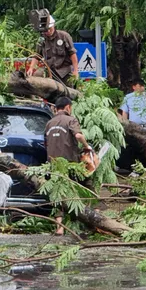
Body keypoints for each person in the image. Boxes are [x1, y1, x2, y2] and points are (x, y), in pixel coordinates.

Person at [44, 96, 94, 235]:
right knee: (88, 184)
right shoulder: (71, 120)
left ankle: (59, 227)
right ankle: (91, 217)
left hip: (53, 165)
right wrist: (87, 146)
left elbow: (46, 144)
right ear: (67, 107)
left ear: (56, 108)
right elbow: (78, 136)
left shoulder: (49, 123)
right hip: (70, 163)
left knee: (58, 193)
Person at [37, 15, 78, 84]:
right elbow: (37, 55)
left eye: (50, 28)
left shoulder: (64, 36)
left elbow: (72, 54)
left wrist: (76, 71)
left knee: (68, 92)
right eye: (46, 30)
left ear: (53, 25)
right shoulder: (42, 40)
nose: (48, 31)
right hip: (51, 73)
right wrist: (31, 68)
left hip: (65, 73)